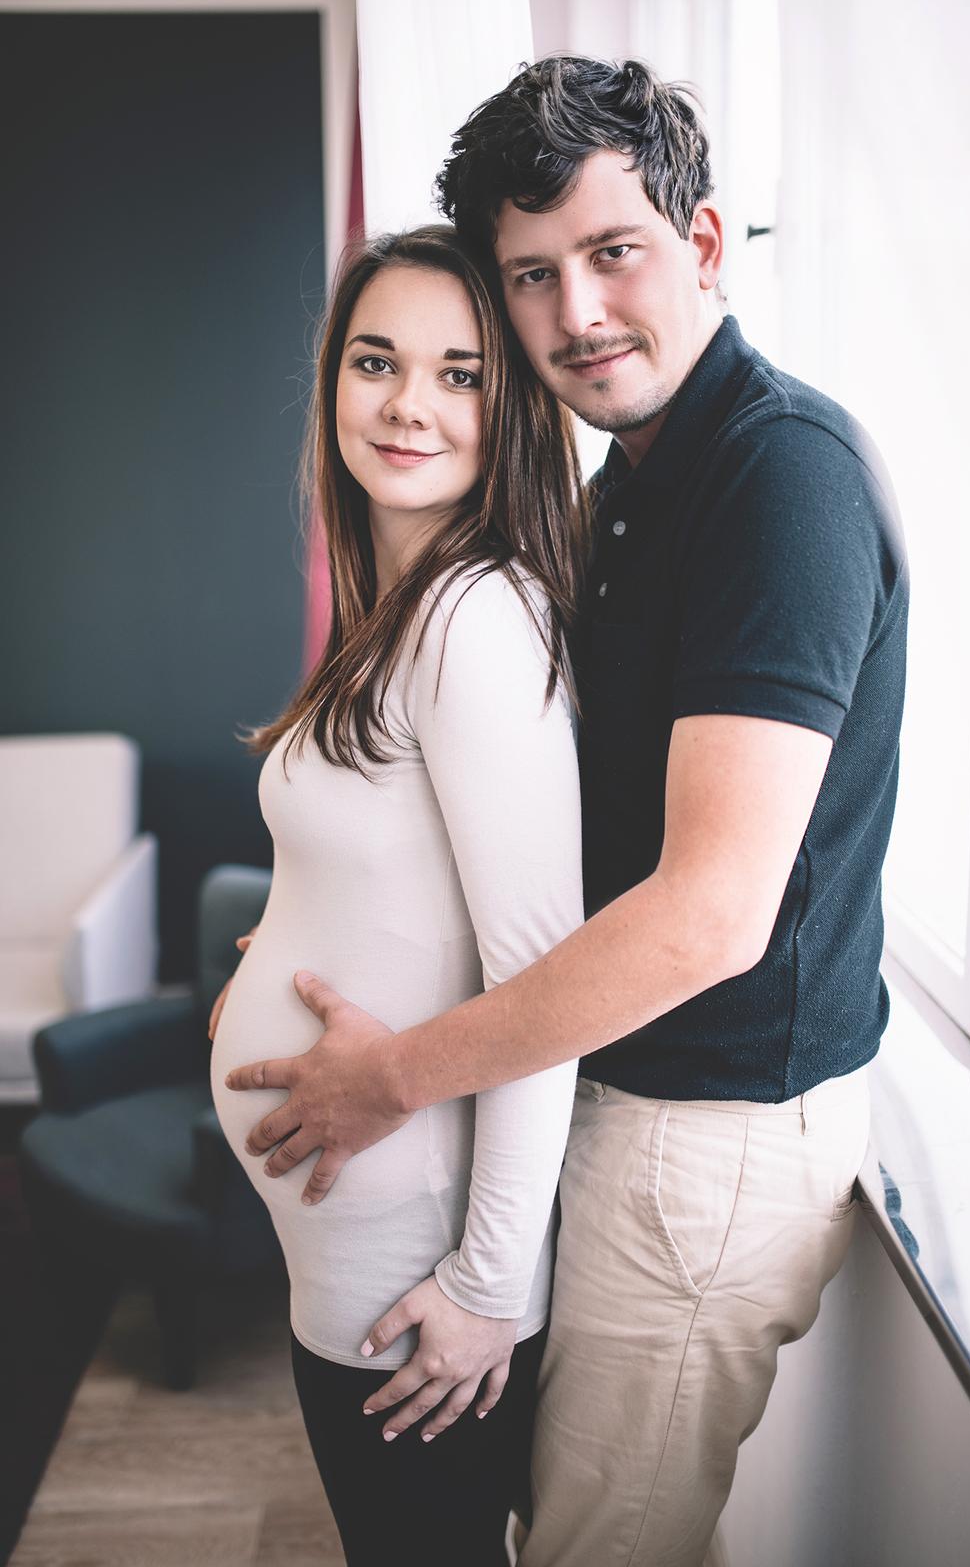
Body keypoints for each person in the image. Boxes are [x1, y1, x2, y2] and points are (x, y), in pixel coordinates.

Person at [224, 57, 909, 1566]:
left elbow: (711, 917)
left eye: (614, 253)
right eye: (533, 275)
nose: (577, 313)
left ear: (705, 243)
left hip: (704, 1137)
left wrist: (395, 1078)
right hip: (622, 1106)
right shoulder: (632, 485)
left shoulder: (779, 481)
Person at [208, 223, 587, 1567]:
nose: (407, 405)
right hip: (358, 1223)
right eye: (376, 362)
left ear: (512, 406)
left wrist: (487, 1285)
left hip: (415, 1245)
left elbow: (546, 982)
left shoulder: (474, 616)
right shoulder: (400, 603)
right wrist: (274, 951)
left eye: (458, 374)